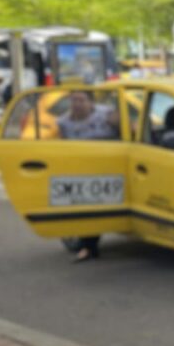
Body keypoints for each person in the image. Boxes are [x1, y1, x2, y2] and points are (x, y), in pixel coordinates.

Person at [57, 90, 121, 262]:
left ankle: (89, 245)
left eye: (81, 100)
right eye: (74, 100)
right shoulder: (63, 122)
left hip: (111, 165)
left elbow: (127, 128)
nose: (77, 104)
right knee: (85, 206)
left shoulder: (106, 114)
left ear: (91, 103)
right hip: (82, 169)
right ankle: (88, 246)